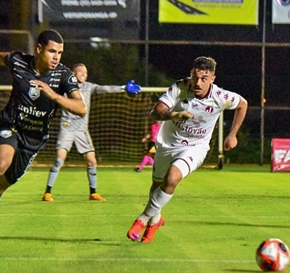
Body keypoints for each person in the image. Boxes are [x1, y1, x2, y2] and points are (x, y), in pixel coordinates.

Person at [0, 29, 87, 248]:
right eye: (52, 51)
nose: (56, 57)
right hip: (10, 126)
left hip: (33, 140)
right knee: (1, 162)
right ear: (39, 49)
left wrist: (53, 95)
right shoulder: (19, 62)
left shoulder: (63, 75)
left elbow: (81, 108)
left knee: (0, 189)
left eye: (59, 52)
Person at [127, 56, 248, 244]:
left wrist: (232, 134)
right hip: (167, 144)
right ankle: (156, 221)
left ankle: (142, 220)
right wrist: (176, 114)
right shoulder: (180, 87)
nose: (198, 83)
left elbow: (243, 104)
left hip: (195, 147)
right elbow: (155, 112)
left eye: (204, 78)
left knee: (172, 177)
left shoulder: (221, 97)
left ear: (212, 79)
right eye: (195, 77)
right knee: (157, 186)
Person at [42, 63, 141, 202]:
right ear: (73, 73)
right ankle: (47, 192)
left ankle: (93, 193)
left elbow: (105, 89)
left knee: (91, 160)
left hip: (82, 130)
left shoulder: (89, 87)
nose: (83, 73)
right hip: (67, 127)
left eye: (86, 72)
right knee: (59, 160)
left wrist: (123, 88)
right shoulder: (65, 85)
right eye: (80, 71)